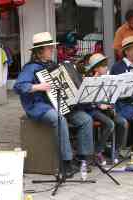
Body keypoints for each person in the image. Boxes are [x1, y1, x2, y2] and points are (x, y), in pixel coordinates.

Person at [13, 32, 94, 177]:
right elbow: (18, 87)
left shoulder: (54, 65)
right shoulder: (30, 68)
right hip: (39, 106)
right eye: (49, 48)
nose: (52, 50)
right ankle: (66, 162)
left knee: (85, 119)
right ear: (39, 51)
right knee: (59, 119)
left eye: (52, 47)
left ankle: (83, 159)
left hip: (59, 103)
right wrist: (38, 87)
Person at [83, 53, 128, 165]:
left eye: (106, 65)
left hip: (107, 109)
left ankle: (115, 150)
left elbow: (112, 95)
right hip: (93, 110)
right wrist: (99, 105)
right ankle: (98, 151)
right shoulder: (88, 79)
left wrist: (111, 103)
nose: (106, 68)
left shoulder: (108, 78)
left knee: (122, 122)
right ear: (96, 68)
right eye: (103, 66)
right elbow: (86, 99)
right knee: (110, 124)